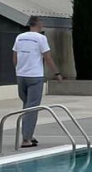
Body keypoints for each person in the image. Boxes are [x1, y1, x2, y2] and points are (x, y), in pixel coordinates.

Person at [13, 16, 62, 148]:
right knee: (32, 108)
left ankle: (28, 134)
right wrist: (57, 73)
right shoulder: (41, 38)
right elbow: (48, 58)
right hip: (35, 76)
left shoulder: (19, 37)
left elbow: (15, 57)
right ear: (38, 25)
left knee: (26, 106)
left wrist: (18, 71)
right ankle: (26, 139)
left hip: (21, 76)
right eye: (41, 23)